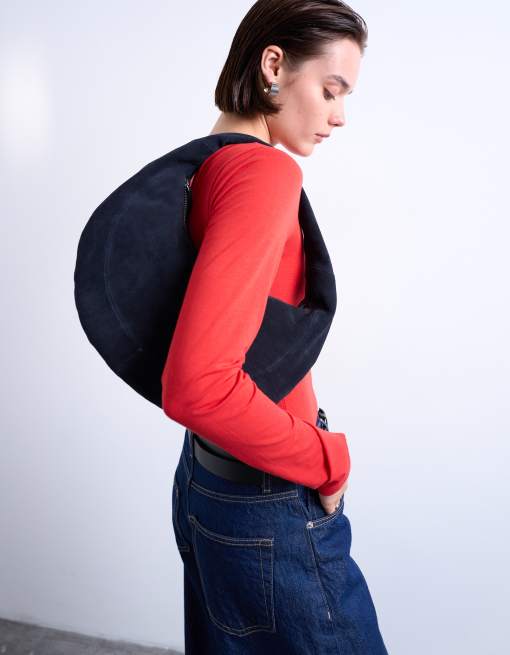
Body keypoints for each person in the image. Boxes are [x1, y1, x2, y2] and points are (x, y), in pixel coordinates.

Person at [163, 1, 389, 652]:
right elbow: (197, 384)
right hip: (269, 498)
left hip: (210, 478)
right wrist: (327, 459)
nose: (339, 116)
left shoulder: (205, 165)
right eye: (330, 90)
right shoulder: (263, 174)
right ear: (273, 65)